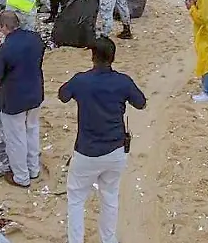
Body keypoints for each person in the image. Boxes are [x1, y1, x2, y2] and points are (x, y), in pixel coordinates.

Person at [58, 38, 147, 243]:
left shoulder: (81, 80)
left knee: (76, 199)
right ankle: (109, 240)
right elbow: (141, 103)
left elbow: (63, 95)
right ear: (113, 57)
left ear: (92, 56)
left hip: (86, 151)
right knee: (110, 197)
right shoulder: (123, 81)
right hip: (115, 151)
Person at [0, 11, 46, 188]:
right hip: (35, 92)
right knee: (32, 130)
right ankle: (33, 169)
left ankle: (21, 177)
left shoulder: (5, 49)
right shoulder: (35, 38)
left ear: (3, 27)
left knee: (16, 138)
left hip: (14, 99)